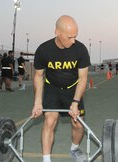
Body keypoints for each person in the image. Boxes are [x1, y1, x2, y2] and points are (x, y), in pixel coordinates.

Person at [31, 15, 91, 162]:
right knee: (50, 121)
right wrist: (37, 102)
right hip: (52, 88)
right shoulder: (44, 49)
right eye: (69, 37)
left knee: (78, 124)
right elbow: (38, 76)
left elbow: (83, 78)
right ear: (57, 32)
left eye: (75, 36)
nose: (73, 41)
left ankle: (74, 149)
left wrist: (75, 102)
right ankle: (46, 159)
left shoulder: (80, 49)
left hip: (73, 89)